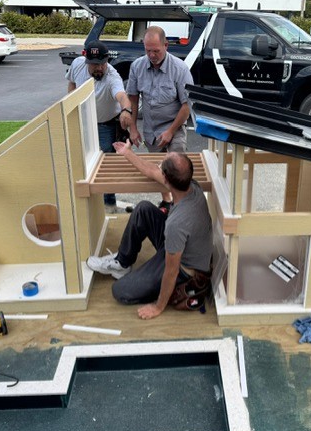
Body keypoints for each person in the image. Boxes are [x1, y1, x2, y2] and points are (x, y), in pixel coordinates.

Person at [87, 139, 213, 320]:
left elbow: (171, 271)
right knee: (143, 209)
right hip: (182, 243)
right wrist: (128, 153)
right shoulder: (191, 185)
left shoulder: (176, 224)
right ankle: (122, 262)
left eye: (162, 165)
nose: (158, 165)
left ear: (167, 180)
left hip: (185, 267)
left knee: (120, 291)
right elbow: (154, 171)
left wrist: (158, 306)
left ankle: (153, 290)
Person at [124, 26, 194, 214]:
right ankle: (166, 203)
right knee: (158, 170)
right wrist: (133, 128)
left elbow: (187, 106)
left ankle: (180, 208)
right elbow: (132, 97)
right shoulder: (137, 66)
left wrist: (171, 131)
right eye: (148, 50)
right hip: (151, 129)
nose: (152, 55)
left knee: (176, 170)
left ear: (166, 45)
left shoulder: (180, 69)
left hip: (175, 126)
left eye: (156, 50)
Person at [66, 40, 133, 213]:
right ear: (86, 61)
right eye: (94, 64)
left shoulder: (112, 77)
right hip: (83, 121)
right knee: (82, 160)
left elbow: (122, 96)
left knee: (105, 165)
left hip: (106, 125)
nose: (99, 68)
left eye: (102, 63)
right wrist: (71, 105)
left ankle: (108, 203)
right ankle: (88, 203)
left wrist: (126, 110)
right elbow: (72, 83)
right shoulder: (77, 64)